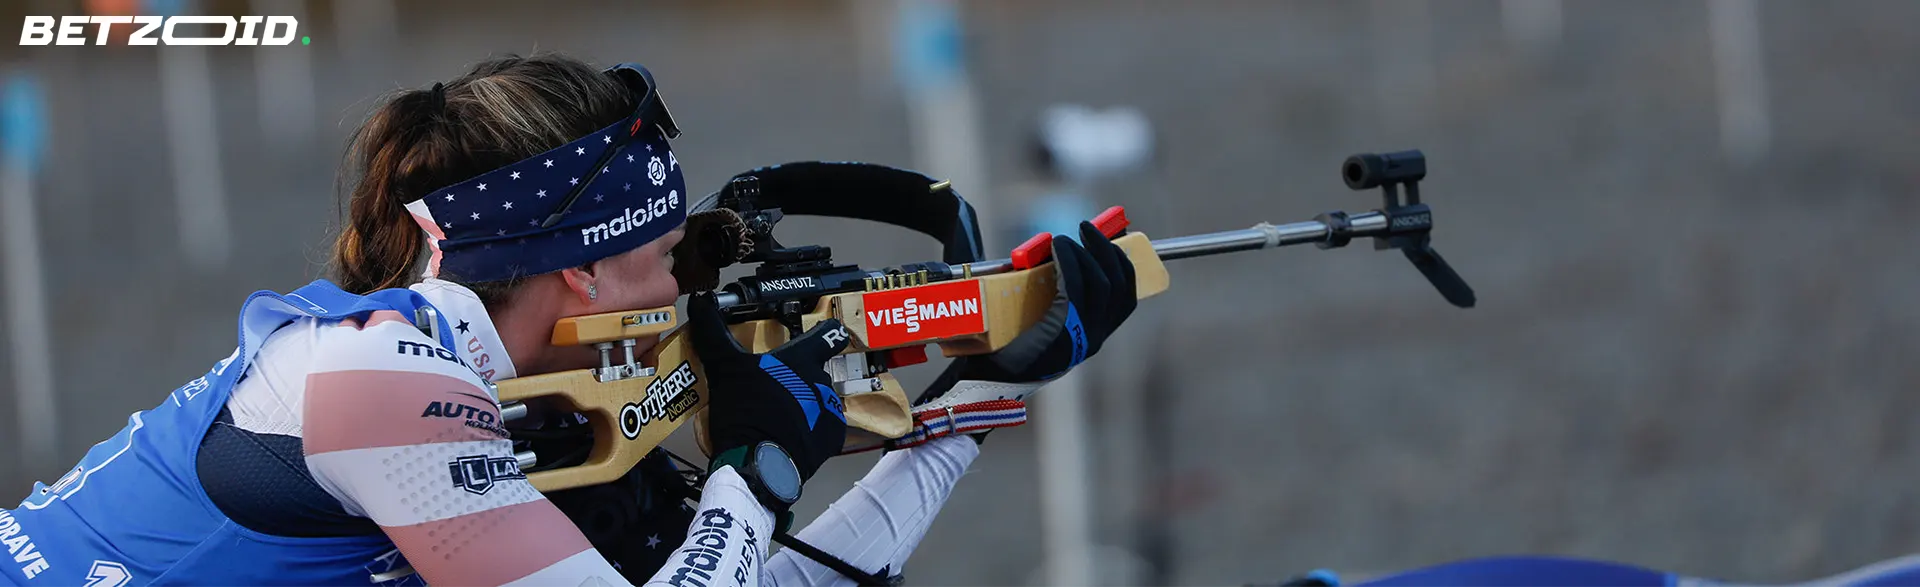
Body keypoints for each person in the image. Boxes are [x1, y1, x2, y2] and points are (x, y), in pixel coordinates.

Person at [0, 53, 1139, 586]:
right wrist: (755, 466)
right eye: (662, 258)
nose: (680, 296)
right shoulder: (380, 387)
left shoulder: (499, 394)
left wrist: (990, 386)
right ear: (584, 273)